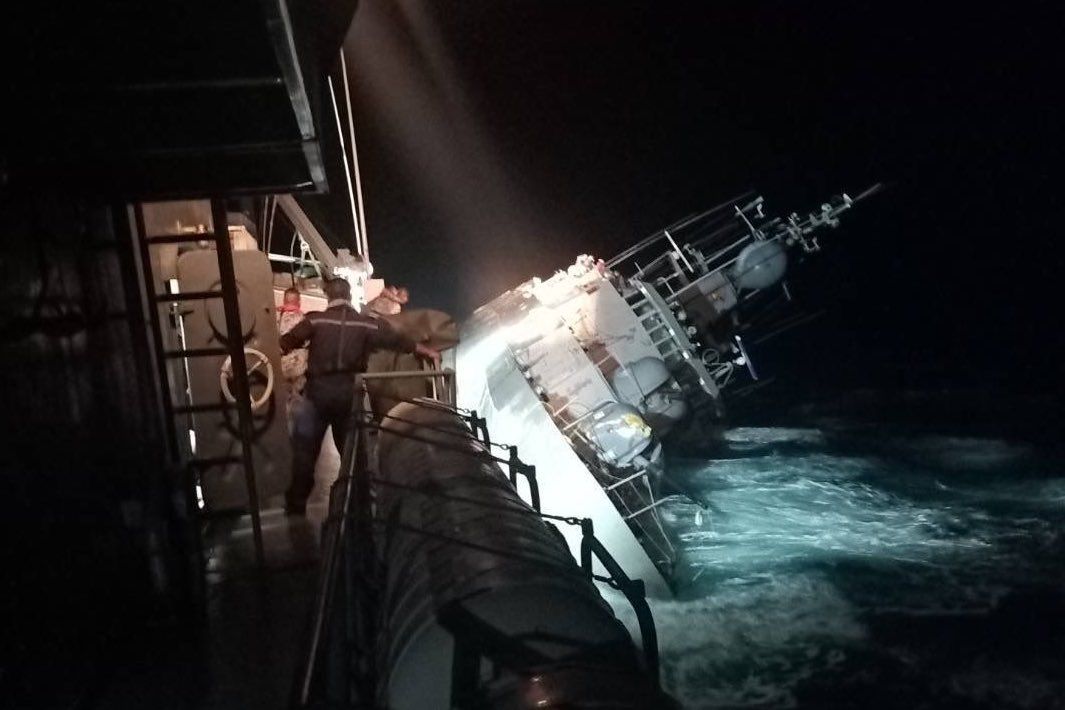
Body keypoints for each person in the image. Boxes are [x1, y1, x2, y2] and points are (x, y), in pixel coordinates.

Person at [278, 278, 440, 514]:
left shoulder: (315, 319)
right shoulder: (366, 324)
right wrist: (426, 350)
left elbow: (286, 342)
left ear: (328, 296)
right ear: (350, 296)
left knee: (305, 451)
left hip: (316, 395)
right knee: (353, 453)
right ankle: (361, 502)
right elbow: (396, 340)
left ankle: (295, 506)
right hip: (348, 394)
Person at [277, 287, 308, 433]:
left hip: (281, 368)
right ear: (299, 302)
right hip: (299, 369)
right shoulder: (304, 320)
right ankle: (297, 432)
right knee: (298, 402)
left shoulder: (277, 318)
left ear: (284, 300)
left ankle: (283, 433)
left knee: (283, 402)